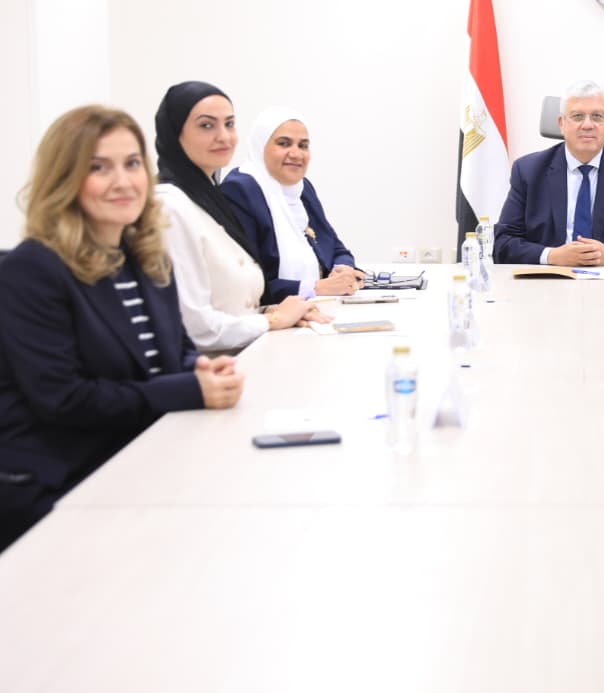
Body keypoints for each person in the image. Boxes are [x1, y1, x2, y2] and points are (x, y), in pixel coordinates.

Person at [0, 105, 245, 551]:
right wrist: (189, 390)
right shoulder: (31, 270)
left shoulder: (146, 258)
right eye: (99, 168)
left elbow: (175, 351)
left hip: (132, 456)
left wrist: (200, 369)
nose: (123, 181)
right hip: (57, 482)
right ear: (64, 180)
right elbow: (64, 400)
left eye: (132, 164)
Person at [153, 81, 329, 353]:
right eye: (206, 125)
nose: (224, 136)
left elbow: (230, 305)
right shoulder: (169, 206)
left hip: (246, 355)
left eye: (230, 124)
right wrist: (271, 321)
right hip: (213, 369)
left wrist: (278, 311)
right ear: (175, 133)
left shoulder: (209, 200)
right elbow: (196, 328)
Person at [494, 80, 604, 265]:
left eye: (597, 116)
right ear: (561, 123)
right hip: (550, 277)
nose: (587, 125)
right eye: (578, 116)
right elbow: (503, 245)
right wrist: (552, 256)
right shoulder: (528, 171)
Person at [220, 106, 362, 304]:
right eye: (284, 143)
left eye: (303, 146)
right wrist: (315, 288)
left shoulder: (302, 189)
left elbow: (336, 248)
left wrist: (342, 270)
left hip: (316, 309)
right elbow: (245, 283)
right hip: (268, 315)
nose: (296, 154)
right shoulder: (240, 190)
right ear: (260, 145)